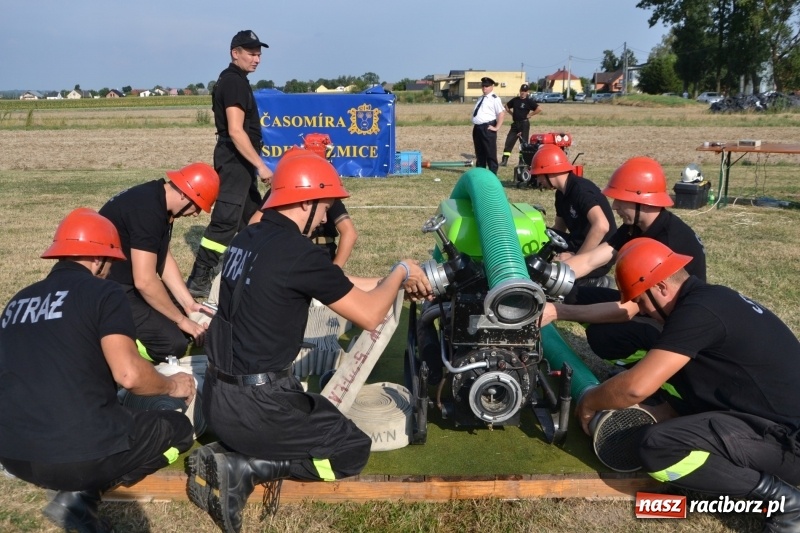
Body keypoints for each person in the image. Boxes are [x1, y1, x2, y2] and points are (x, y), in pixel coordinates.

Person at [186, 153, 432, 533]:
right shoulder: (300, 254)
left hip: (219, 402)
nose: (324, 218)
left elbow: (337, 286)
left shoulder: (247, 237)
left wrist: (391, 283)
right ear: (305, 201)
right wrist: (402, 268)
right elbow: (368, 315)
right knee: (351, 449)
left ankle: (231, 450)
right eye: (325, 206)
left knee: (310, 411)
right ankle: (248, 467)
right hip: (261, 409)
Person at [576, 238, 800, 533]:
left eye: (641, 300)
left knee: (657, 447)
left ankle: (785, 502)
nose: (642, 310)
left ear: (661, 287)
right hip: (772, 421)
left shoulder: (699, 313)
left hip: (788, 444)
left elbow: (634, 388)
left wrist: (590, 402)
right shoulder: (710, 299)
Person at [0, 208, 196, 533]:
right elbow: (129, 375)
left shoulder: (17, 301)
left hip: (13, 454)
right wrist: (173, 386)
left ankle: (76, 494)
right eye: (110, 263)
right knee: (178, 430)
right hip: (76, 457)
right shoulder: (102, 293)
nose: (109, 271)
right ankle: (82, 497)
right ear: (97, 260)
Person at [543, 156, 706, 367]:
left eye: (620, 199)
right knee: (573, 293)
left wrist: (559, 312)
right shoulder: (636, 227)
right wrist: (548, 275)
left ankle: (654, 368)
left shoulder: (668, 241)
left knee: (603, 337)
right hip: (648, 308)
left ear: (641, 200)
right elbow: (592, 260)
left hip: (673, 325)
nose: (614, 206)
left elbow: (628, 308)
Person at [99, 162, 220, 363]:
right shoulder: (147, 210)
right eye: (198, 206)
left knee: (187, 324)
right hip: (111, 289)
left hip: (128, 282)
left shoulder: (158, 200)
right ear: (184, 194)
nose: (197, 214)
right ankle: (127, 346)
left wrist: (188, 305)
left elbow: (163, 256)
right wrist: (181, 320)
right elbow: (145, 281)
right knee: (173, 345)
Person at [186, 30, 274, 299]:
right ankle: (199, 279)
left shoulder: (237, 80)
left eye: (259, 53)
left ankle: (256, 271)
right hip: (235, 160)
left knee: (254, 221)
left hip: (239, 161)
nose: (257, 58)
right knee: (226, 220)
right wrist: (260, 165)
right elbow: (236, 131)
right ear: (235, 53)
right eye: (251, 53)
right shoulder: (234, 82)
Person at [530, 144, 616, 287]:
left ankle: (597, 282)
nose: (538, 181)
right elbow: (558, 229)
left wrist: (575, 259)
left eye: (538, 175)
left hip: (599, 251)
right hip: (580, 243)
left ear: (549, 171)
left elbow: (601, 226)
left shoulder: (580, 190)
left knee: (555, 280)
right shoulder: (561, 194)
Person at [309, 198, 358, 268]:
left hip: (325, 253)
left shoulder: (330, 198)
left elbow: (349, 233)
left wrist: (335, 270)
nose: (324, 219)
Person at [471, 77, 505, 175]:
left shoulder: (495, 98)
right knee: (479, 152)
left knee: (490, 152)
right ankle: (480, 173)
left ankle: (492, 174)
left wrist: (497, 127)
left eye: (486, 86)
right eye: (483, 86)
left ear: (492, 87)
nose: (484, 88)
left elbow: (501, 113)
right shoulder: (481, 98)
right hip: (477, 128)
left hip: (487, 127)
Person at [500, 83, 541, 167]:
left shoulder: (529, 101)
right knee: (509, 141)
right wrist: (512, 114)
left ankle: (522, 161)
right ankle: (504, 161)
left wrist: (530, 115)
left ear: (527, 92)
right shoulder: (515, 100)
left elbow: (539, 109)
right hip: (515, 124)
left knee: (523, 144)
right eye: (522, 90)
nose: (523, 92)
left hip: (524, 124)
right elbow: (506, 106)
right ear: (520, 91)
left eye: (525, 91)